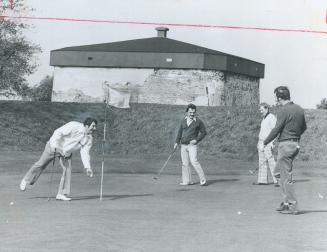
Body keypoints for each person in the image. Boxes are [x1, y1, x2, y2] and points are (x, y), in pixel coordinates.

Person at [19, 117, 97, 201]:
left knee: (67, 171)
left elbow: (85, 153)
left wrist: (87, 167)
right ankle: (25, 180)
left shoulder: (89, 139)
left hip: (66, 153)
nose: (95, 128)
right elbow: (58, 132)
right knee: (41, 164)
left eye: (95, 126)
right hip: (54, 147)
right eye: (93, 126)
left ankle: (61, 194)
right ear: (86, 125)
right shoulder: (74, 125)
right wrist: (55, 145)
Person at [264, 86, 307, 215]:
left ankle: (293, 206)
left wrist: (265, 142)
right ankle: (286, 201)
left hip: (286, 146)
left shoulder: (283, 110)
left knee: (285, 177)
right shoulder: (299, 109)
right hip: (295, 145)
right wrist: (295, 135)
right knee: (278, 173)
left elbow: (276, 129)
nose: (275, 100)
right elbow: (304, 127)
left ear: (279, 97)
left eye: (276, 97)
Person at [174, 104, 207, 186]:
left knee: (194, 161)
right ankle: (187, 181)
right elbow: (179, 132)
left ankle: (202, 179)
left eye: (193, 112)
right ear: (186, 112)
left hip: (192, 146)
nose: (192, 114)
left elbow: (204, 132)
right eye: (190, 112)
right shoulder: (183, 121)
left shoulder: (198, 121)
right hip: (183, 145)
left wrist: (196, 139)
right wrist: (176, 142)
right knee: (185, 163)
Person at [253, 103, 278, 186]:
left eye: (262, 109)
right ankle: (262, 180)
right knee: (262, 161)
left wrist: (272, 143)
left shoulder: (272, 117)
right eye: (260, 110)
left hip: (268, 142)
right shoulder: (264, 118)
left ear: (267, 108)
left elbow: (275, 131)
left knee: (271, 162)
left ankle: (277, 180)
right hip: (261, 142)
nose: (260, 111)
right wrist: (259, 143)